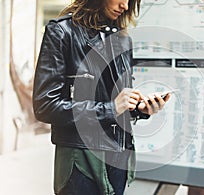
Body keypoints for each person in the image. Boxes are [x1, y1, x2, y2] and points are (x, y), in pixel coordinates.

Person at [32, 0, 170, 194]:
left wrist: (139, 109)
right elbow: (46, 106)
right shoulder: (62, 32)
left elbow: (117, 103)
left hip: (119, 159)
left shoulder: (122, 39)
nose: (125, 5)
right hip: (80, 161)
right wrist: (111, 108)